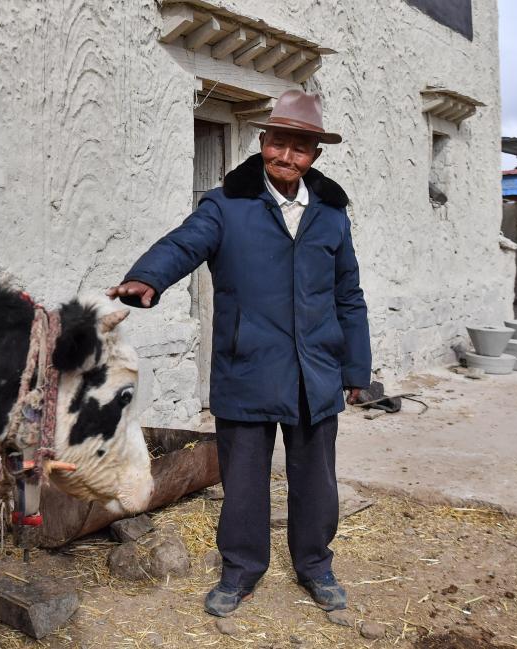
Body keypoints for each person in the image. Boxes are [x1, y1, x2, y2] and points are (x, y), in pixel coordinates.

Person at [106, 90, 370, 617]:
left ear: (315, 155)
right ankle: (241, 570)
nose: (285, 157)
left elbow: (348, 295)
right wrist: (147, 277)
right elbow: (184, 243)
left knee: (316, 480)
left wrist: (355, 368)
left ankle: (315, 565)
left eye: (299, 148)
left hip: (315, 371)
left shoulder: (331, 215)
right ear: (263, 140)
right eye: (278, 143)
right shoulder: (225, 205)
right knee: (245, 479)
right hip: (247, 364)